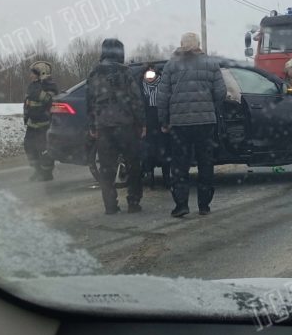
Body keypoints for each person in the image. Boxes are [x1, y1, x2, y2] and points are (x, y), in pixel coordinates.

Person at [157, 32, 226, 217]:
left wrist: (164, 121)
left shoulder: (171, 65)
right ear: (199, 45)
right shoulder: (211, 63)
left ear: (181, 44)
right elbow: (221, 92)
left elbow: (162, 97)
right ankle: (204, 205)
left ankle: (181, 205)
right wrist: (211, 108)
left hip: (179, 124)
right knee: (205, 163)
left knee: (180, 164)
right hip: (205, 122)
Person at [86, 39, 146, 214]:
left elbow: (90, 102)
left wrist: (92, 125)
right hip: (126, 125)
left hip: (104, 126)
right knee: (133, 165)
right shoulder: (125, 72)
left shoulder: (94, 73)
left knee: (107, 168)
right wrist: (141, 123)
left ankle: (110, 205)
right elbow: (135, 99)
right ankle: (133, 202)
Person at [23, 60, 58, 181]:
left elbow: (49, 100)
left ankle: (47, 173)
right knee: (29, 147)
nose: (30, 76)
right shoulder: (32, 85)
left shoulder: (50, 85)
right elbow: (28, 102)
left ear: (41, 73)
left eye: (33, 73)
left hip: (44, 125)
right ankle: (38, 171)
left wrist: (38, 91)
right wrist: (26, 116)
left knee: (44, 150)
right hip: (32, 124)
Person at [139, 63, 171, 188]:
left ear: (157, 74)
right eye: (147, 73)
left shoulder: (164, 86)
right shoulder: (139, 87)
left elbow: (168, 104)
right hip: (147, 124)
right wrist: (142, 125)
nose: (149, 76)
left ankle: (166, 178)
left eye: (152, 73)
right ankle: (150, 177)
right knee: (148, 152)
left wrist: (166, 122)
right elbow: (138, 107)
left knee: (164, 151)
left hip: (161, 122)